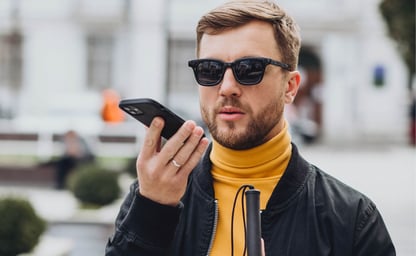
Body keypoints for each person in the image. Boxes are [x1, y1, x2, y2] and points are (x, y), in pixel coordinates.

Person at [106, 1, 395, 255]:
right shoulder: (155, 195)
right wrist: (152, 210)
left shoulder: (351, 219)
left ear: (290, 87)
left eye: (249, 69)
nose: (227, 88)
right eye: (210, 70)